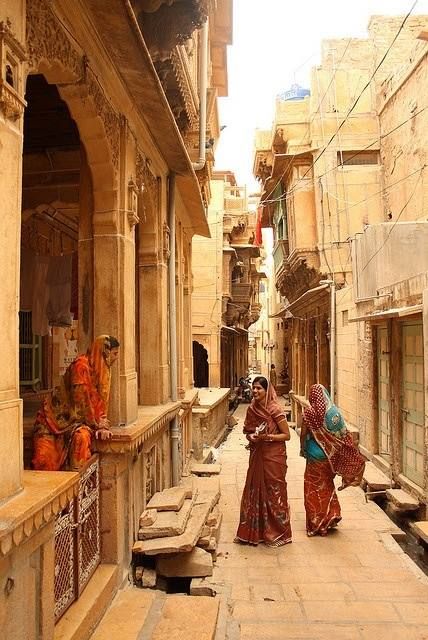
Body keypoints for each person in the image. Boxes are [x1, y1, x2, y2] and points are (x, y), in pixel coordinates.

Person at [32, 335, 120, 471]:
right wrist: (96, 424)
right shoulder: (81, 366)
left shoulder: (101, 371)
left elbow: (99, 402)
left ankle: (77, 486)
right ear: (104, 352)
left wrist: (102, 425)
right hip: (52, 422)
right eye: (114, 353)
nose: (116, 358)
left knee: (82, 438)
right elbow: (81, 402)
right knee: (44, 460)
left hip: (77, 423)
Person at [300, 383, 365, 537]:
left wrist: (302, 449)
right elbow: (344, 435)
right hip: (330, 458)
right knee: (327, 485)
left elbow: (303, 434)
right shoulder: (334, 413)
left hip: (314, 457)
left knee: (313, 489)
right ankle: (331, 515)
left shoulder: (309, 413)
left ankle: (317, 523)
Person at [235, 376, 292, 547]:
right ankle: (255, 531)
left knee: (274, 492)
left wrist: (267, 437)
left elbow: (286, 435)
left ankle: (278, 532)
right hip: (257, 455)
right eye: (254, 388)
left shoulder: (274, 409)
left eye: (259, 388)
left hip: (274, 456)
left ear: (267, 391)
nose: (255, 391)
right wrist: (251, 436)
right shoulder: (252, 409)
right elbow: (248, 431)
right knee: (255, 490)